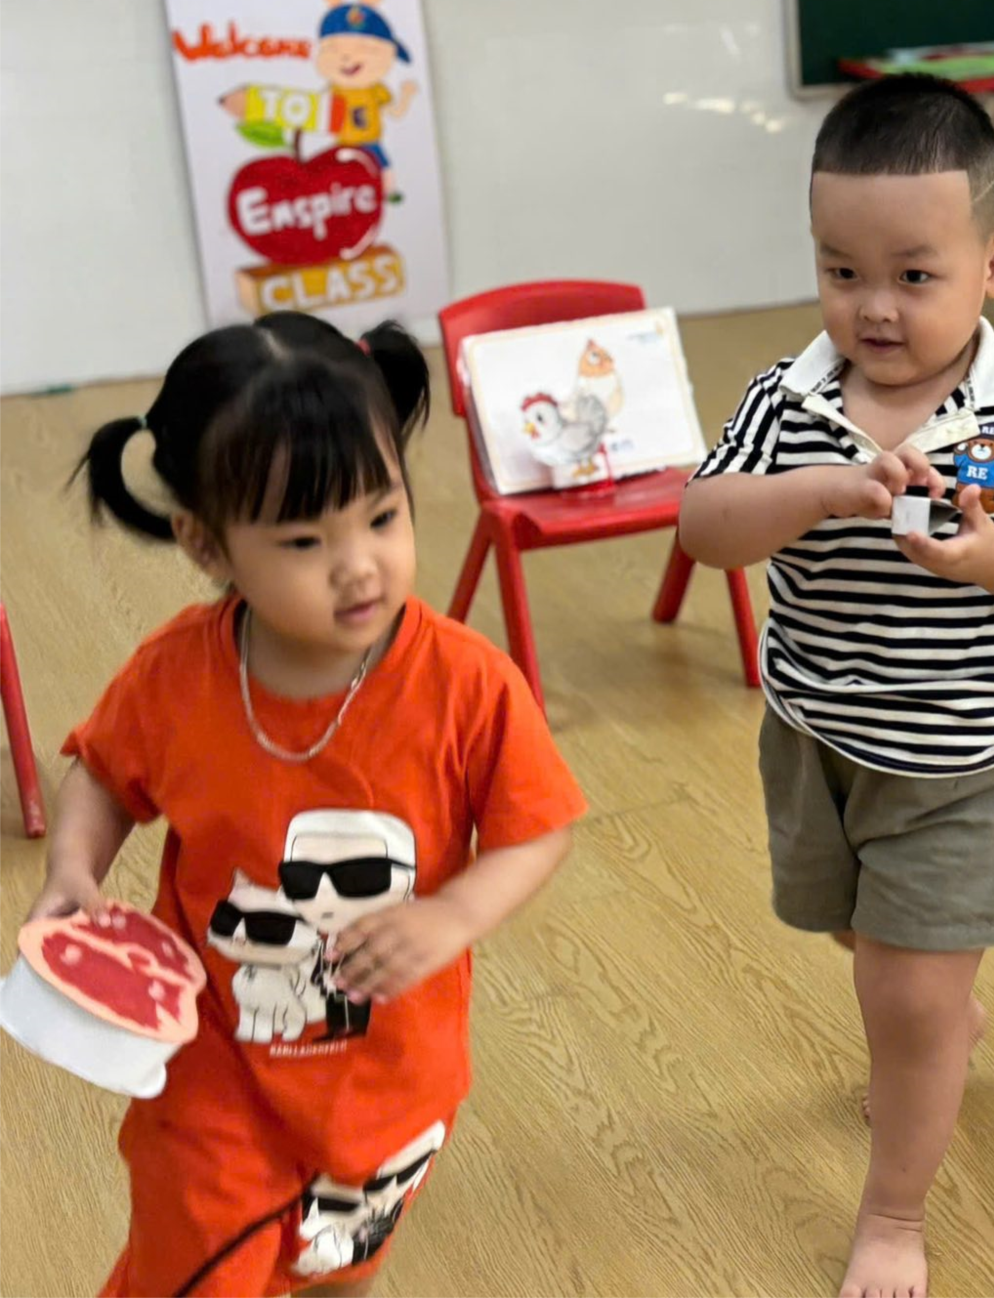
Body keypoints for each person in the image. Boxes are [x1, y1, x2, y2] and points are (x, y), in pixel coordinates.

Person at [680, 75, 994, 1298]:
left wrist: (992, 560)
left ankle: (892, 1213)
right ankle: (931, 994)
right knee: (852, 931)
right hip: (815, 740)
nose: (872, 307)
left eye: (913, 276)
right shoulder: (788, 399)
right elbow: (704, 527)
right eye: (841, 271)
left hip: (964, 761)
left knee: (902, 1000)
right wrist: (818, 492)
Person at [30, 312, 584, 1295]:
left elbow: (536, 828)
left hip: (391, 1077)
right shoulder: (179, 676)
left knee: (340, 1265)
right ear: (207, 544)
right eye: (303, 539)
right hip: (215, 1066)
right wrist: (74, 865)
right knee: (193, 1263)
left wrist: (453, 915)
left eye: (382, 517)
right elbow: (106, 774)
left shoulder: (464, 685)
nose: (358, 563)